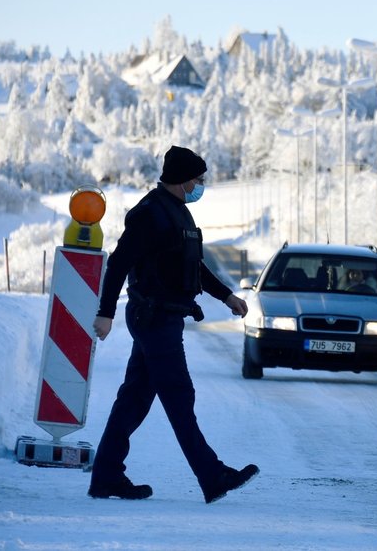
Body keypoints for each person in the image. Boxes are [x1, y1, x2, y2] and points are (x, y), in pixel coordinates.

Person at [88, 145, 259, 504]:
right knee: (179, 396)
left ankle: (106, 476)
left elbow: (192, 265)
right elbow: (118, 264)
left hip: (162, 318)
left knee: (133, 400)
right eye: (197, 180)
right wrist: (106, 312)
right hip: (153, 318)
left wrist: (226, 296)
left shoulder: (176, 213)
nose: (200, 185)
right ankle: (213, 477)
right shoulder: (150, 214)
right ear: (182, 181)